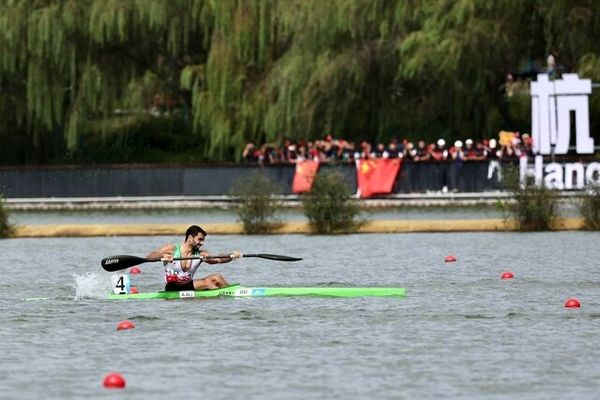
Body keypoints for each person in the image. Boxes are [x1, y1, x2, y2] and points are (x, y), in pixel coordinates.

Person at [147, 225, 242, 291]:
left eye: (203, 240)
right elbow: (150, 256)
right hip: (173, 286)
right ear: (190, 238)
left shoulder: (200, 254)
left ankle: (232, 293)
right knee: (208, 282)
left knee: (216, 277)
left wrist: (232, 256)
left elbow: (218, 259)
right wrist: (163, 256)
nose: (202, 243)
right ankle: (220, 297)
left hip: (189, 285)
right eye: (199, 239)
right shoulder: (172, 249)